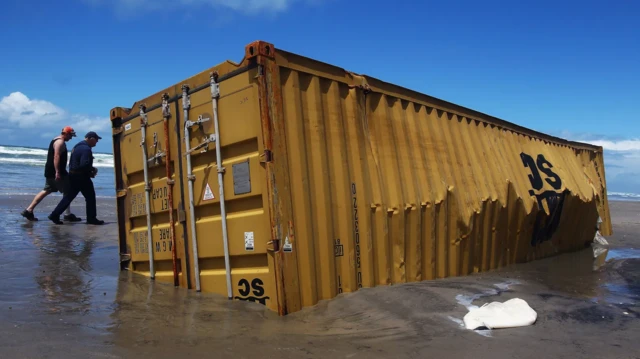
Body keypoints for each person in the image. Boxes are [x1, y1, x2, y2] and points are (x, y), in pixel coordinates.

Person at [21, 126, 82, 222]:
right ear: (65, 133)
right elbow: (56, 156)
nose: (71, 138)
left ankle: (29, 210)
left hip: (50, 171)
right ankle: (67, 214)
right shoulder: (60, 142)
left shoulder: (55, 139)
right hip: (57, 172)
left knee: (47, 190)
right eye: (70, 135)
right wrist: (57, 172)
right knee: (69, 192)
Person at [48, 131, 105, 225]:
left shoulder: (77, 146)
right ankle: (91, 218)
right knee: (90, 197)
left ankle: (55, 214)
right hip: (81, 177)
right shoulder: (86, 149)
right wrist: (92, 170)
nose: (97, 142)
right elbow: (84, 164)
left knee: (69, 197)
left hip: (73, 175)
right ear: (91, 138)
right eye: (96, 140)